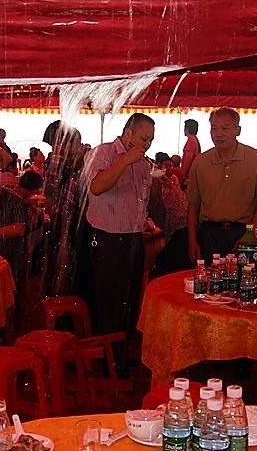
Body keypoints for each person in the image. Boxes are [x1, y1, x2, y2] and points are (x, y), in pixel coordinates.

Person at [83, 112, 154, 342]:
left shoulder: (143, 163)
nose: (147, 144)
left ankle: (123, 350)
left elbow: (145, 201)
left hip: (134, 238)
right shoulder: (102, 153)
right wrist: (124, 161)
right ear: (129, 133)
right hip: (107, 240)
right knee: (107, 301)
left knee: (130, 300)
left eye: (151, 140)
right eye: (144, 138)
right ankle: (105, 353)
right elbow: (96, 187)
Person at [187, 107, 257, 262]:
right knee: (209, 275)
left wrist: (250, 234)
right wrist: (192, 241)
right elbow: (193, 204)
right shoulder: (200, 162)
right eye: (214, 128)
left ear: (237, 130)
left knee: (245, 275)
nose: (218, 134)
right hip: (209, 233)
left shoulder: (255, 158)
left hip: (243, 231)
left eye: (225, 128)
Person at [41, 120, 89, 297]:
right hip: (67, 227)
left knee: (60, 273)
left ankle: (57, 300)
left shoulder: (59, 164)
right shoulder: (60, 164)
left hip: (64, 226)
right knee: (64, 274)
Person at [149, 153, 192, 277]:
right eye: (166, 166)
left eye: (170, 165)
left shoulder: (172, 179)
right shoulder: (155, 180)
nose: (168, 168)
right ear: (158, 165)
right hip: (171, 226)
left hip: (180, 224)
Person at [180, 119, 200, 186]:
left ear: (187, 129)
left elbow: (188, 158)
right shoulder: (195, 139)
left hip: (188, 175)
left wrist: (182, 173)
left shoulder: (191, 140)